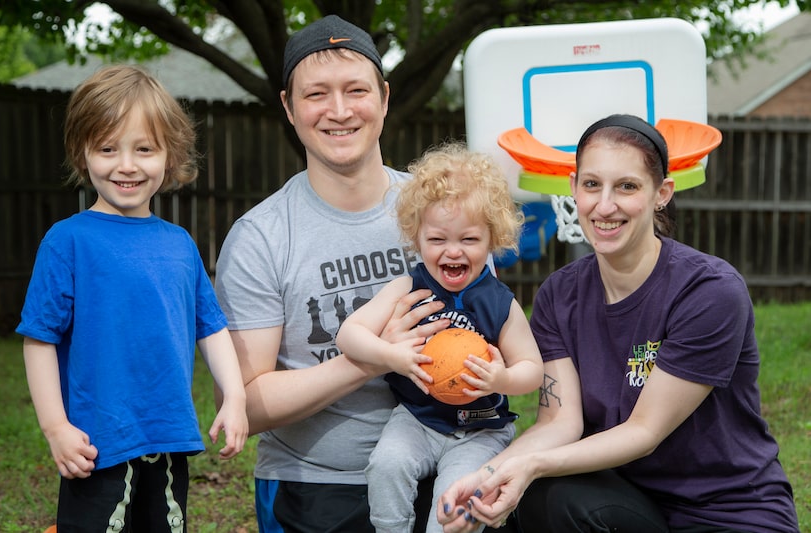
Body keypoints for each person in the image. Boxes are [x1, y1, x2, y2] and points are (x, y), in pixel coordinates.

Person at [437, 114, 800, 533]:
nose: (604, 206)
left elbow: (644, 431)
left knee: (536, 475)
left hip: (726, 509)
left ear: (661, 193)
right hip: (627, 502)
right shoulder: (560, 293)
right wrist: (485, 479)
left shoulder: (709, 291)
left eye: (626, 186)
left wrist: (530, 464)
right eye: (592, 185)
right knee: (544, 496)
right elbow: (560, 421)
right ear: (573, 187)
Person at [213, 15, 450, 533]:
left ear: (384, 99)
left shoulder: (445, 213)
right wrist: (372, 356)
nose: (339, 111)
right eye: (317, 93)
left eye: (356, 90)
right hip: (316, 485)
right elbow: (242, 405)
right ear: (289, 108)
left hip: (445, 467)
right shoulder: (261, 238)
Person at [16, 65, 249, 532]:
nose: (126, 164)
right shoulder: (68, 241)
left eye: (144, 148)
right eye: (107, 148)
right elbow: (39, 340)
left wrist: (236, 396)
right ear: (83, 154)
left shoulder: (180, 244)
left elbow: (211, 326)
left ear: (169, 155)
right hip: (97, 441)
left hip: (167, 436)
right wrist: (56, 428)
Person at [335, 142, 544, 533]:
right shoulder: (407, 287)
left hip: (481, 430)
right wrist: (392, 356)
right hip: (417, 419)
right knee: (387, 464)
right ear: (417, 238)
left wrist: (502, 379)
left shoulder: (499, 302)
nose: (453, 251)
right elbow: (349, 334)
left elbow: (532, 369)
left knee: (454, 502)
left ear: (492, 238)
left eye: (468, 240)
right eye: (437, 240)